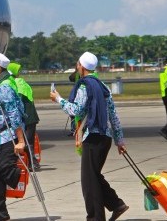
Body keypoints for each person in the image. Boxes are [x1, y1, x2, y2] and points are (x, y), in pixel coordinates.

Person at [50, 52, 129, 221]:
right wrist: (119, 140)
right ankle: (116, 205)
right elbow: (113, 116)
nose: (77, 66)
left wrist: (59, 99)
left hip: (93, 137)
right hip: (105, 137)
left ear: (82, 67)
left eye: (78, 64)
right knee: (94, 176)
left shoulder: (85, 86)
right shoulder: (103, 86)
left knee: (89, 181)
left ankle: (95, 217)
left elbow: (76, 110)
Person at [0, 52, 26, 221]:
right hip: (3, 136)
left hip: (10, 137)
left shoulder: (4, 87)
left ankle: (17, 174)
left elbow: (14, 115)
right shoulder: (0, 84)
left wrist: (21, 141)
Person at [7, 62, 41, 170]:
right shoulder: (22, 82)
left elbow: (19, 102)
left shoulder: (15, 83)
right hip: (31, 117)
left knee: (26, 142)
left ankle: (33, 163)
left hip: (27, 117)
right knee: (27, 142)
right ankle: (30, 163)